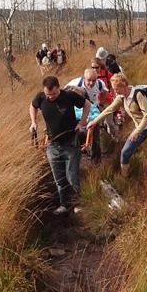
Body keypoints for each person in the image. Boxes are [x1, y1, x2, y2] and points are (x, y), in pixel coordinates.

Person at [86, 73, 147, 178]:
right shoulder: (121, 97)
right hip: (139, 128)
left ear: (124, 86)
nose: (115, 91)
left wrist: (136, 132)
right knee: (125, 152)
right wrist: (94, 122)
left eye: (116, 89)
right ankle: (123, 178)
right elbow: (109, 109)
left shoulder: (138, 94)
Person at [30, 75, 91, 214]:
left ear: (59, 88)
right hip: (52, 144)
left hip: (70, 143)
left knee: (72, 177)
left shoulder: (69, 96)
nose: (51, 97)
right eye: (48, 94)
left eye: (54, 94)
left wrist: (82, 123)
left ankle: (77, 205)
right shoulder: (40, 98)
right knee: (59, 178)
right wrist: (33, 122)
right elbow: (32, 106)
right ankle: (64, 204)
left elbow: (87, 104)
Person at [65, 68, 111, 163]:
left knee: (95, 137)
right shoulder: (74, 84)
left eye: (94, 80)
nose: (91, 83)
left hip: (90, 118)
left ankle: (96, 160)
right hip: (76, 123)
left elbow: (103, 93)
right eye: (89, 80)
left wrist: (99, 105)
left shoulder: (99, 84)